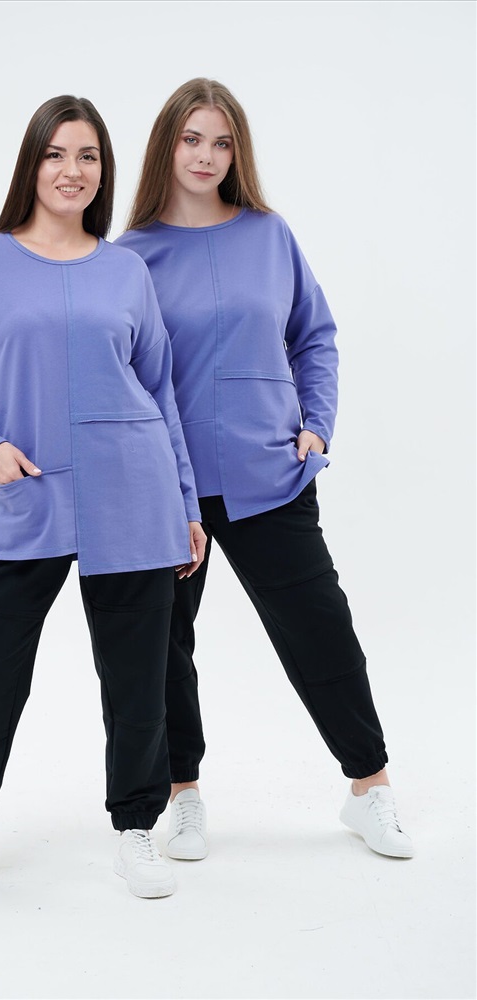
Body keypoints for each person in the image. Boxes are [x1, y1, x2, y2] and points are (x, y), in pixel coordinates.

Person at [0, 95, 207, 909]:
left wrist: (184, 503)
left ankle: (136, 830)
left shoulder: (125, 270)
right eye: (57, 154)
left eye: (88, 156)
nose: (73, 170)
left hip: (132, 494)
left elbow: (160, 390)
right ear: (31, 164)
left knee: (137, 682)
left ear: (103, 171)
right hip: (24, 497)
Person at [116, 78, 413, 862]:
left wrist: (316, 425)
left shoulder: (269, 235)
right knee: (165, 647)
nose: (205, 156)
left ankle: (369, 788)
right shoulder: (129, 256)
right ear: (166, 144)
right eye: (191, 139)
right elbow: (124, 374)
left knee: (320, 629)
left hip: (267, 473)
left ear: (236, 152)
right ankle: (182, 794)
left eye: (221, 142)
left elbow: (313, 335)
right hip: (167, 486)